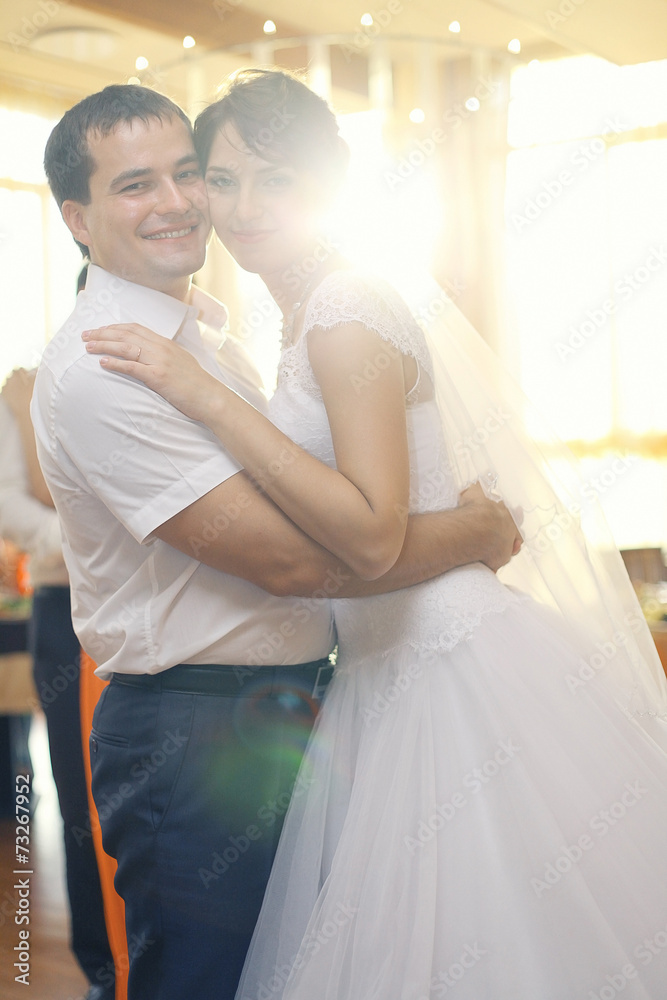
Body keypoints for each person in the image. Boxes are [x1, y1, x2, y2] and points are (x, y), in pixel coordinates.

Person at [83, 69, 667, 999]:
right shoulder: (296, 317)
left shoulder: (346, 310)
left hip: (447, 664)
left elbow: (366, 535)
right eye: (223, 179)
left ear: (326, 186)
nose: (241, 206)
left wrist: (199, 394)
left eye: (274, 179)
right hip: (377, 667)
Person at [31, 83, 520, 1000]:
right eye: (136, 185)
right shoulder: (107, 368)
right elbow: (295, 560)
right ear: (78, 218)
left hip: (293, 705)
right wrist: (471, 531)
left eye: (187, 174)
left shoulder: (205, 339)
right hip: (196, 726)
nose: (179, 202)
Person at [0, 363, 115, 1000]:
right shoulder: (26, 390)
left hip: (155, 605)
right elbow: (9, 504)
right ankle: (101, 966)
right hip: (67, 608)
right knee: (79, 793)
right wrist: (90, 543)